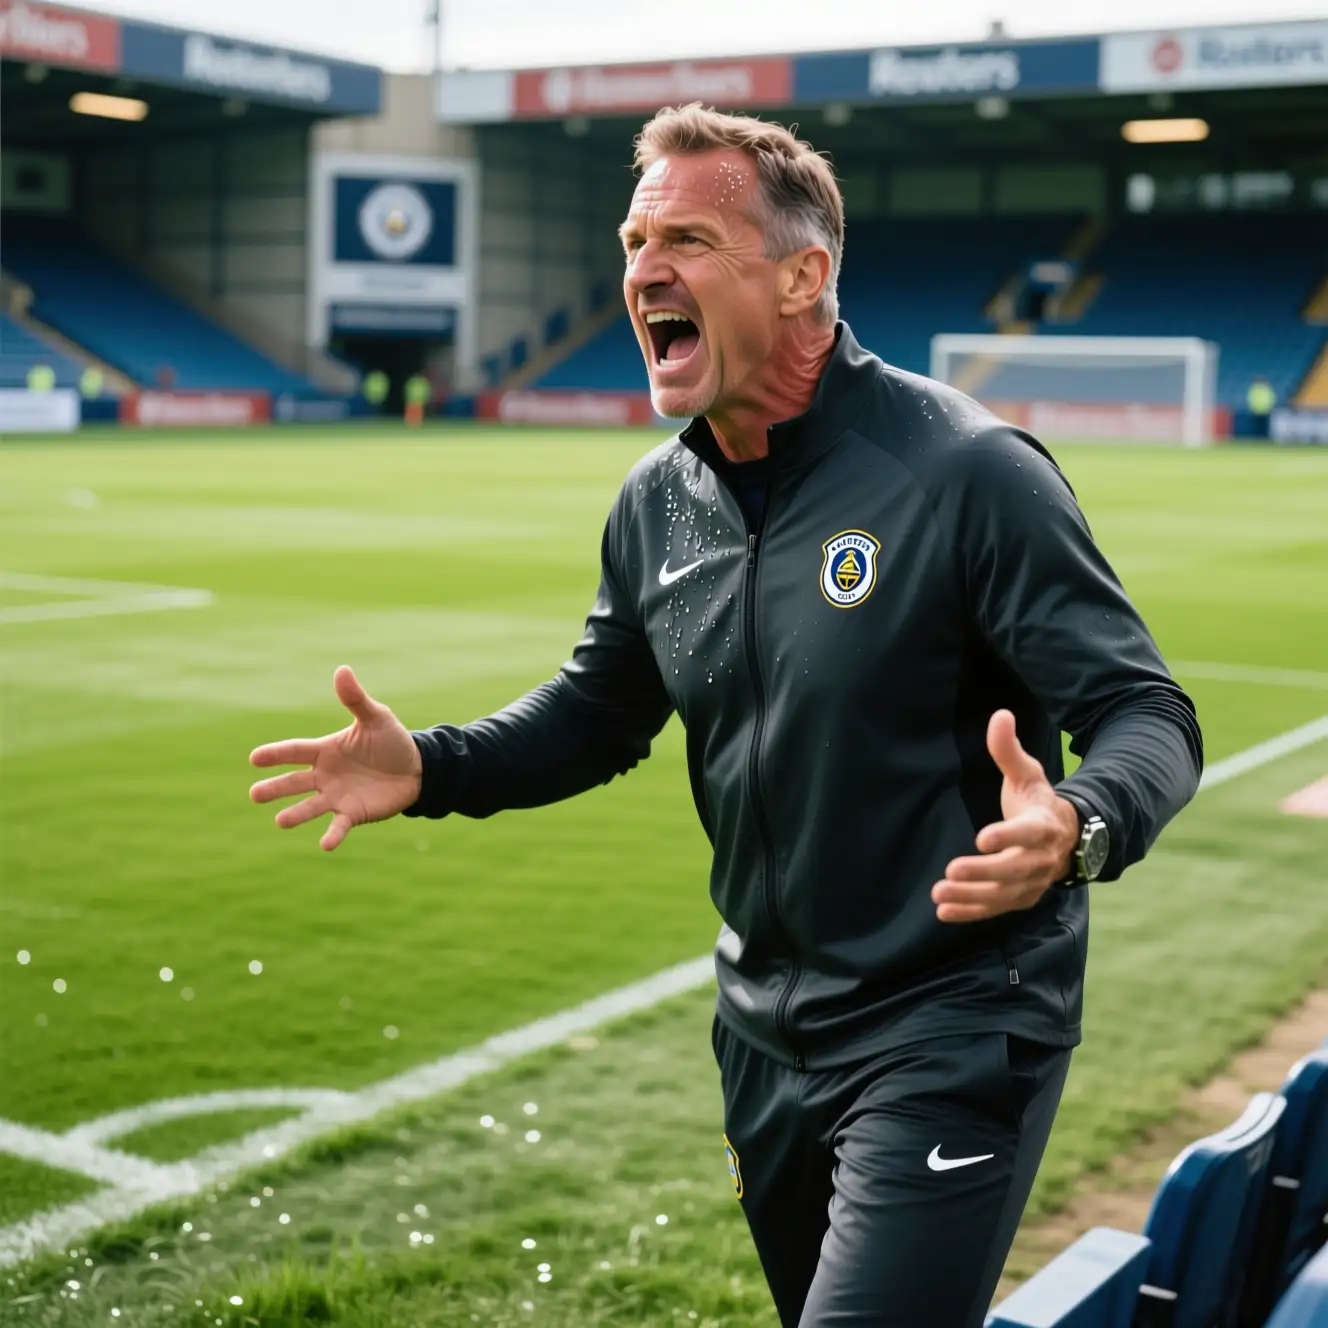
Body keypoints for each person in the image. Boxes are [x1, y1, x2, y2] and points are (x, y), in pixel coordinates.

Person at [250, 105, 1203, 1327]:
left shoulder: (967, 472)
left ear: (802, 274)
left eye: (688, 239)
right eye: (634, 238)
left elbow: (1144, 709)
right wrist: (428, 765)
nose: (644, 268)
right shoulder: (656, 503)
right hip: (760, 1033)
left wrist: (1076, 823)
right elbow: (596, 717)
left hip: (951, 1018)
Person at [1247, 374, 1276, 439]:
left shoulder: (1257, 389)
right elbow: (1251, 399)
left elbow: (1271, 398)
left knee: (1263, 426)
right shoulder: (1265, 389)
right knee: (1258, 426)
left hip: (1264, 410)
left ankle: (1263, 438)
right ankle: (1259, 438)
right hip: (1258, 410)